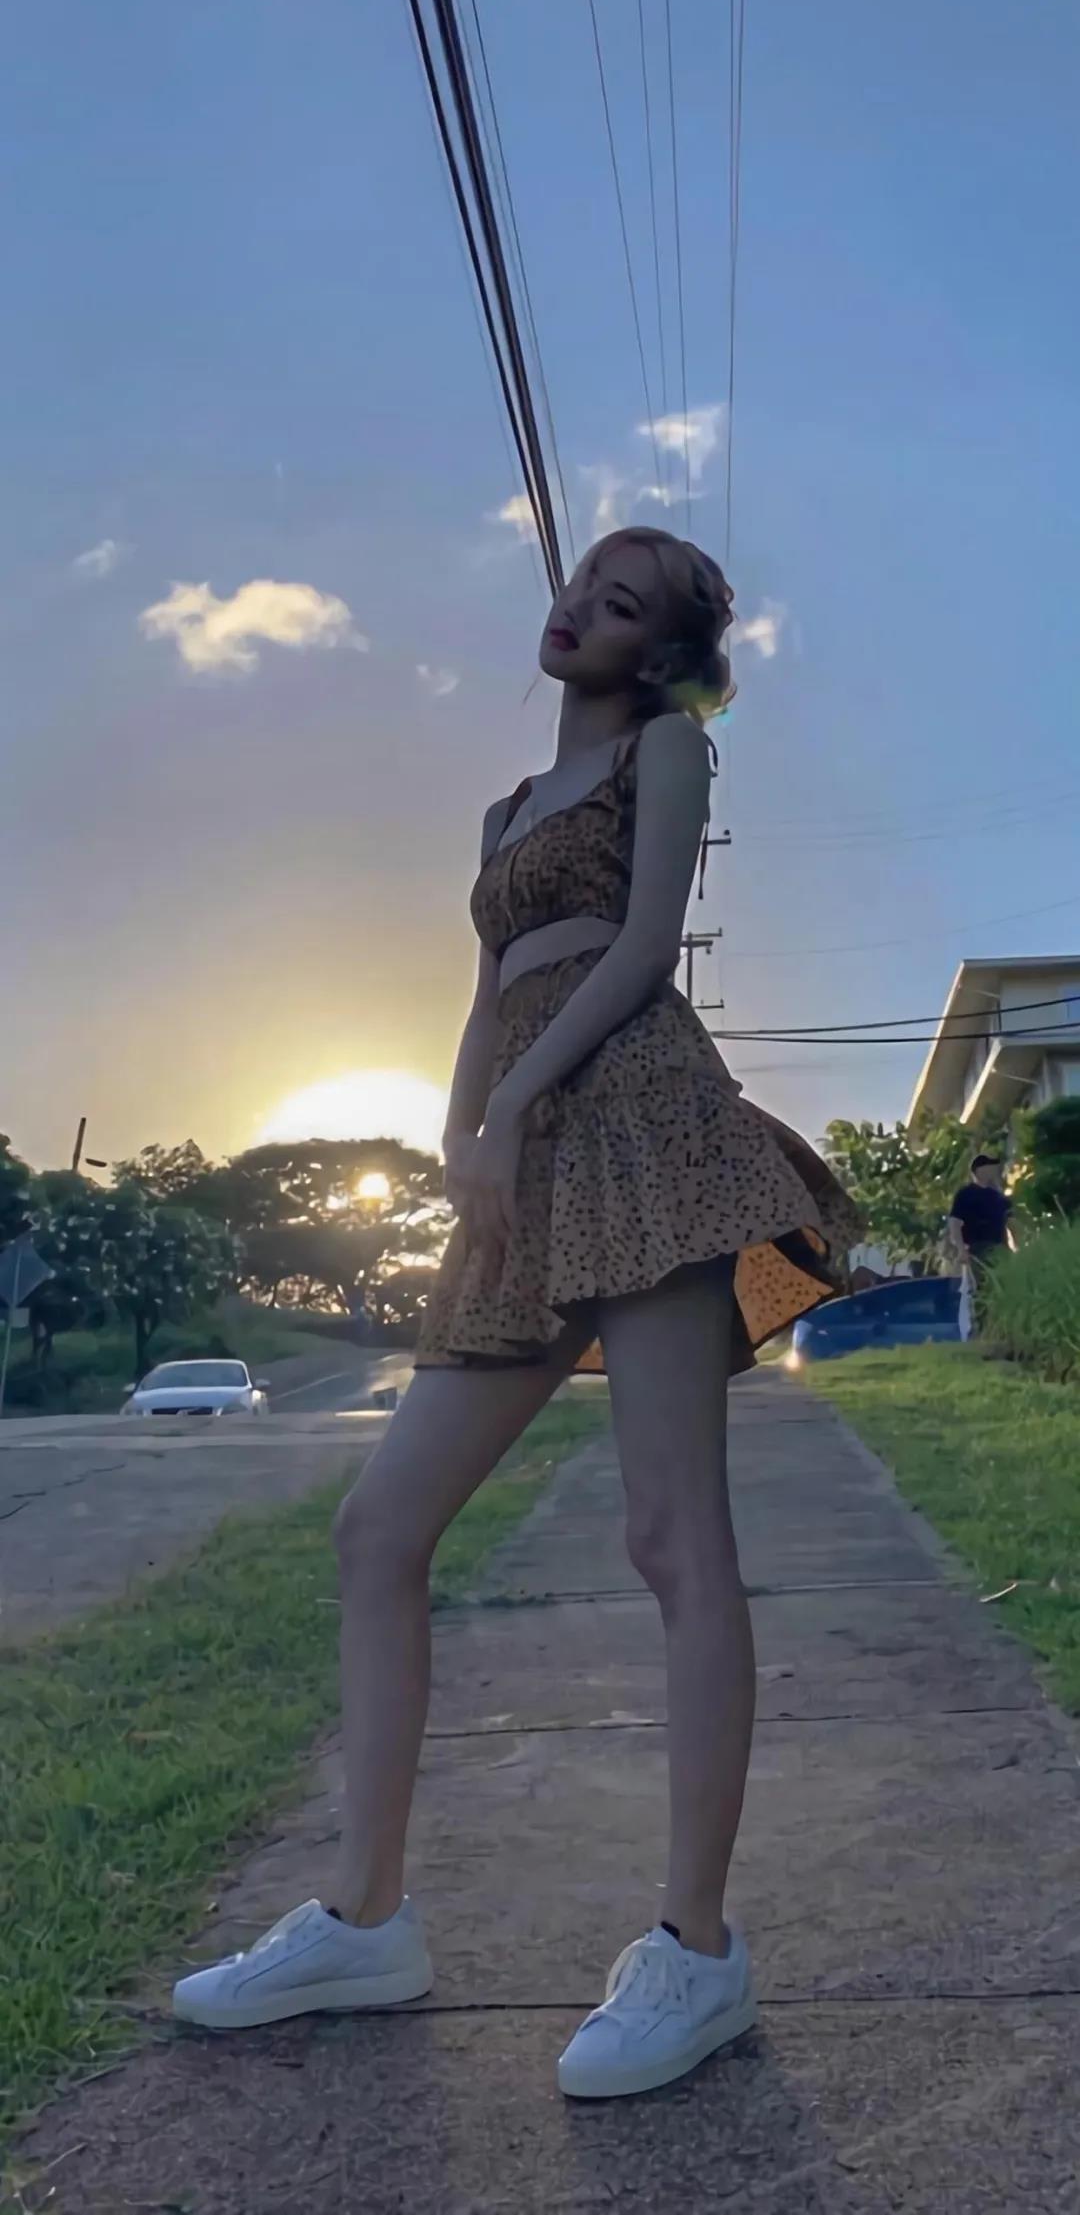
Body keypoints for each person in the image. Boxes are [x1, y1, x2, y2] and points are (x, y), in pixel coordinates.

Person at [173, 527, 861, 2096]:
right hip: (518, 1161)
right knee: (379, 1529)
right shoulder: (504, 811)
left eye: (618, 605)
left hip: (641, 1124)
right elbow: (488, 989)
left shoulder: (664, 752)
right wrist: (461, 1131)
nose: (576, 610)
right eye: (579, 585)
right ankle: (365, 1919)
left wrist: (517, 1104)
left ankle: (696, 1951)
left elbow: (640, 952)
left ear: (658, 654)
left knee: (673, 1537)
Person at [947, 1153, 1015, 1319]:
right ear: (979, 1170)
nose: (993, 1170)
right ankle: (981, 1323)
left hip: (1000, 1247)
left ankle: (999, 1321)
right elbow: (955, 1223)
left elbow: (1011, 1222)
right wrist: (961, 1249)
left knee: (1003, 1286)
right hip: (978, 1247)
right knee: (982, 1287)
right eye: (990, 1167)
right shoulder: (966, 1194)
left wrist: (1016, 1247)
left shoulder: (998, 1197)